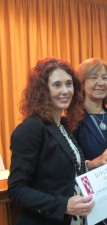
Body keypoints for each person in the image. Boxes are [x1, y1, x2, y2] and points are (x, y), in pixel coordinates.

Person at [8, 58, 95, 225]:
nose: (66, 91)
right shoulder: (30, 129)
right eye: (57, 85)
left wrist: (91, 165)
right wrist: (63, 205)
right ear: (43, 90)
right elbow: (17, 190)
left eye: (69, 84)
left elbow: (63, 170)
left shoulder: (62, 124)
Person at [74, 58, 107, 170]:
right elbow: (70, 165)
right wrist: (91, 164)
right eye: (94, 77)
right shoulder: (72, 121)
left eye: (105, 78)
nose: (101, 83)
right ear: (81, 84)